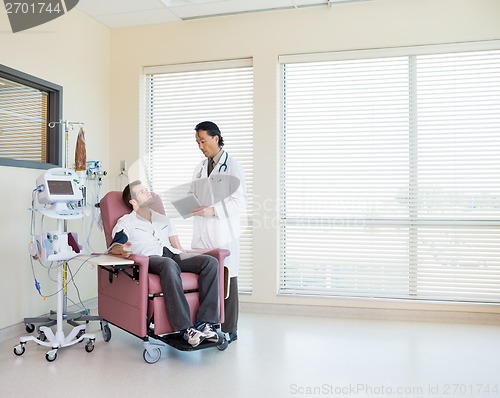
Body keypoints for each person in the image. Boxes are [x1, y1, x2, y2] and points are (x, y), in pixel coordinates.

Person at [110, 180, 220, 347]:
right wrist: (123, 249)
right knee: (168, 264)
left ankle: (206, 323)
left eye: (146, 190)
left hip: (173, 255)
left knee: (210, 263)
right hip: (150, 259)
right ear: (132, 201)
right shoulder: (127, 221)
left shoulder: (164, 219)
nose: (148, 193)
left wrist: (196, 255)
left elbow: (177, 246)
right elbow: (116, 245)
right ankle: (184, 328)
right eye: (141, 192)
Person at [189, 121, 247, 343]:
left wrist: (212, 210)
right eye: (197, 142)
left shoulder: (232, 165)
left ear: (216, 138)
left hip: (223, 232)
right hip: (202, 232)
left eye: (203, 141)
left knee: (227, 280)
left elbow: (239, 202)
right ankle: (208, 325)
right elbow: (192, 192)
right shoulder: (200, 167)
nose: (200, 146)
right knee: (205, 278)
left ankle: (230, 329)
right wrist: (187, 205)